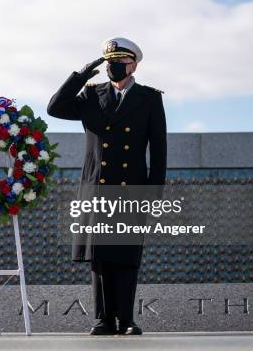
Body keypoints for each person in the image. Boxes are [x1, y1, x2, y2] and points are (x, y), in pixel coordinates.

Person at [47, 37, 167, 335]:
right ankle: (104, 319)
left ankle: (126, 319)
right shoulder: (91, 95)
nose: (113, 68)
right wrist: (81, 76)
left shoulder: (150, 98)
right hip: (97, 190)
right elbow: (55, 108)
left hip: (131, 190)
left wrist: (153, 194)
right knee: (99, 258)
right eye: (110, 63)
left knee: (126, 256)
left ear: (133, 65)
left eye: (119, 63)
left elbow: (159, 149)